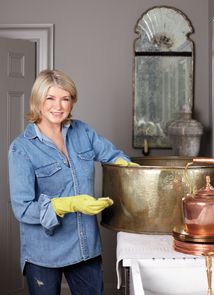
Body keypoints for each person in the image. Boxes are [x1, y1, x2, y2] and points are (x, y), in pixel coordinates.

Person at [8, 69, 136, 295]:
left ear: (72, 102)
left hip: (85, 248)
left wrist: (127, 166)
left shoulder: (83, 132)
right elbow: (22, 208)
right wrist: (68, 204)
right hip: (43, 254)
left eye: (65, 99)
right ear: (38, 101)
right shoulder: (21, 149)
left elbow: (112, 155)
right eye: (50, 98)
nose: (58, 106)